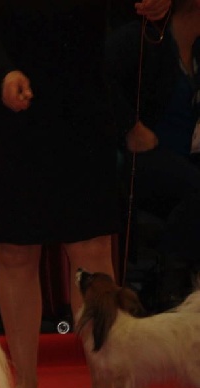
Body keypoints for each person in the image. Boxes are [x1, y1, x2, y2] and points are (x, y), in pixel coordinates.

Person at [0, 0, 171, 388]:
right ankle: (24, 384)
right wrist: (4, 72)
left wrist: (158, 5)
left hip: (80, 108)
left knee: (92, 248)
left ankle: (106, 383)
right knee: (15, 253)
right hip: (7, 113)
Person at [106, 0, 200, 312]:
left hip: (187, 155)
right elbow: (100, 80)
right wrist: (130, 126)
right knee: (197, 188)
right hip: (140, 154)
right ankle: (169, 285)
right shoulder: (141, 38)